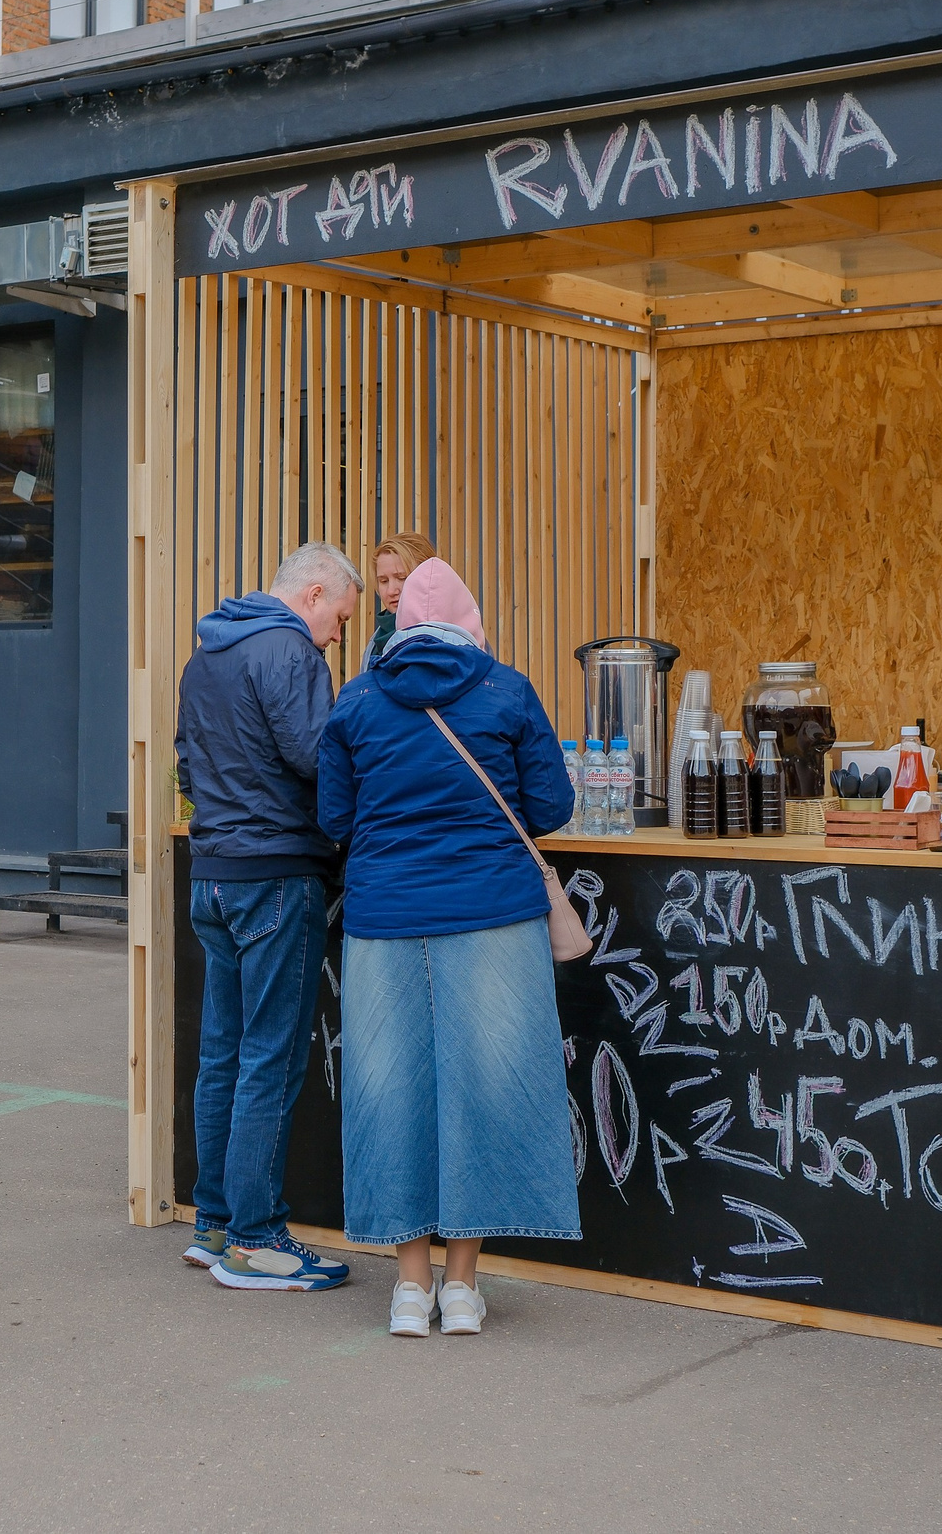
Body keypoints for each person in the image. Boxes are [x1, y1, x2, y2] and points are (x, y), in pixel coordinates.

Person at [317, 558, 579, 1338]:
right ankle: (461, 1288)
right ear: (468, 621)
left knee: (390, 1088)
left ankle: (407, 1287)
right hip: (495, 916)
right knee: (485, 1086)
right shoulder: (507, 690)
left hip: (384, 920)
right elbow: (553, 807)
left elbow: (335, 816)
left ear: (399, 625)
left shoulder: (357, 699)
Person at [175, 541, 362, 1291]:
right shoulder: (289, 652)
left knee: (222, 1051)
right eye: (341, 617)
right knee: (271, 1058)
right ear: (314, 594)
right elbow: (323, 759)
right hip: (277, 876)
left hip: (213, 873)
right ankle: (256, 1241)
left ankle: (215, 1221)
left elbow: (187, 767)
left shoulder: (206, 656)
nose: (340, 636)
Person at [365, 532, 438, 664]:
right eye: (383, 581)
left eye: (401, 578)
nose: (391, 591)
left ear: (427, 578)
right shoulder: (375, 641)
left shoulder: (454, 634)